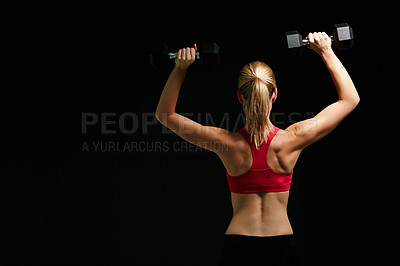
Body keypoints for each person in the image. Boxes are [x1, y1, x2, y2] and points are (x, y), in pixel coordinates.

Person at [155, 33, 360, 266]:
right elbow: (349, 100)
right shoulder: (293, 139)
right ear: (274, 94)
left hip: (239, 247)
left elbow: (165, 115)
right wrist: (326, 51)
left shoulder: (226, 143)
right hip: (282, 246)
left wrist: (180, 67)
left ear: (240, 97)